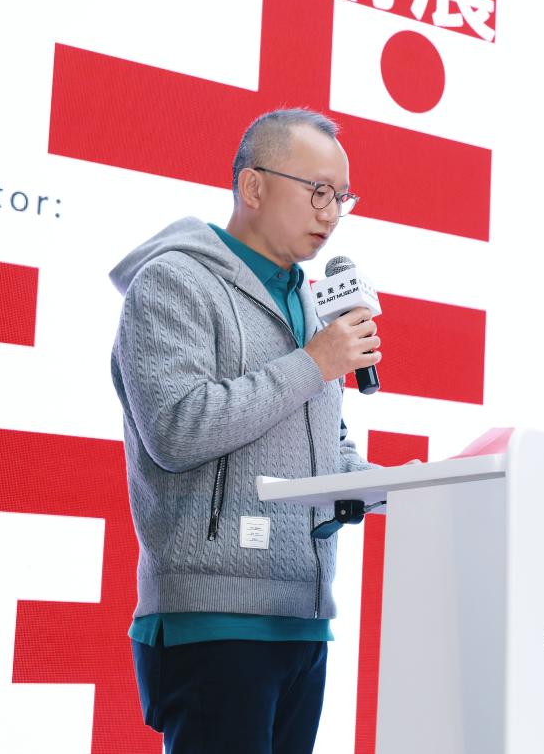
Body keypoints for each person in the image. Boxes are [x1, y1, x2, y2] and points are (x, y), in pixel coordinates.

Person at [109, 108, 381, 753]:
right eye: (318, 191)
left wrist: (384, 484)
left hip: (304, 618)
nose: (331, 213)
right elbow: (177, 429)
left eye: (342, 197)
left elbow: (325, 439)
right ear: (253, 186)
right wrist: (314, 363)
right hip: (213, 619)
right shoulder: (174, 281)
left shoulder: (312, 302)